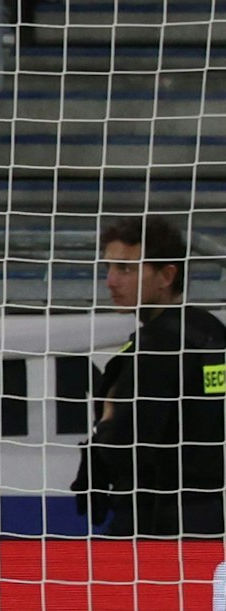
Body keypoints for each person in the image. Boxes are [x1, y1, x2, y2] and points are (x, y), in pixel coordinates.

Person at [73, 216, 226, 538]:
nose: (111, 281)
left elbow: (126, 447)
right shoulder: (208, 330)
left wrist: (108, 424)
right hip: (212, 516)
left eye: (126, 269)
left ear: (167, 275)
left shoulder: (158, 345)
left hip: (157, 523)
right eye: (109, 268)